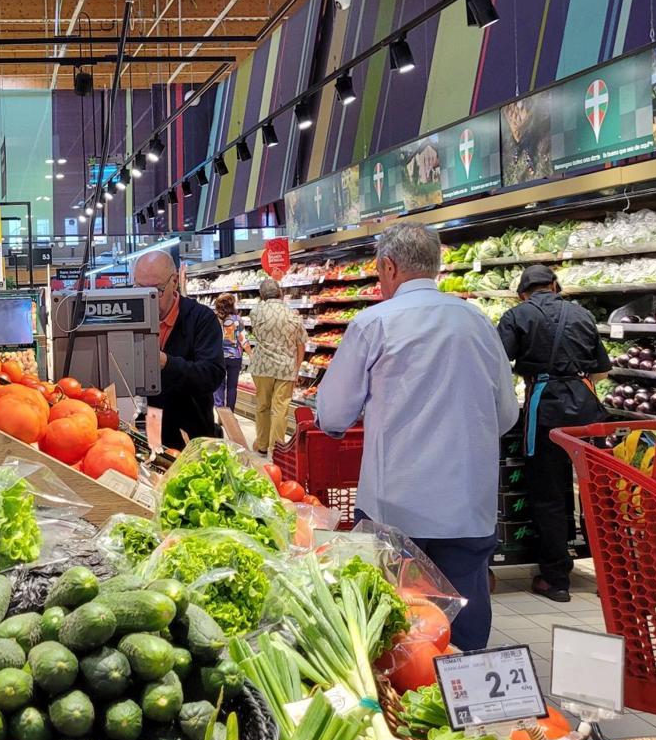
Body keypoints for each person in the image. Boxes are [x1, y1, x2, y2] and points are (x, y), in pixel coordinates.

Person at [315, 223, 519, 650]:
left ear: (388, 267)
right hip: (469, 505)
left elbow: (332, 415)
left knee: (397, 624)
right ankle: (467, 702)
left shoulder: (373, 323)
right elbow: (505, 415)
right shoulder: (477, 321)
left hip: (397, 508)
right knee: (464, 614)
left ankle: (405, 707)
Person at [497, 264, 610, 603]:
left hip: (545, 408)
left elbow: (497, 365)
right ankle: (611, 573)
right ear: (555, 285)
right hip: (588, 409)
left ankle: (556, 579)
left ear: (522, 293)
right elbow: (602, 369)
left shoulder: (516, 316)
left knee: (549, 493)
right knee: (597, 492)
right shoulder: (582, 315)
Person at [133, 250, 225, 451]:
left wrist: (166, 362)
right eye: (139, 289)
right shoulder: (132, 320)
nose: (146, 299)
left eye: (155, 291)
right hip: (153, 426)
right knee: (155, 468)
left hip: (194, 436)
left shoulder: (201, 319)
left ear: (174, 282)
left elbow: (212, 375)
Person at [248, 279, 307, 455]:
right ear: (280, 293)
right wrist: (296, 369)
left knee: (262, 406)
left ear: (261, 295)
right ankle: (277, 449)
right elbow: (301, 343)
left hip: (262, 366)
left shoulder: (255, 312)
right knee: (280, 409)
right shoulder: (293, 314)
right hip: (285, 367)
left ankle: (262, 444)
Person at [213, 294, 249, 411]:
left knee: (219, 385)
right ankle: (230, 414)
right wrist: (251, 354)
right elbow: (243, 339)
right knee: (232, 387)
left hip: (218, 357)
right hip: (235, 357)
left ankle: (220, 412)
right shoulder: (237, 319)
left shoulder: (213, 318)